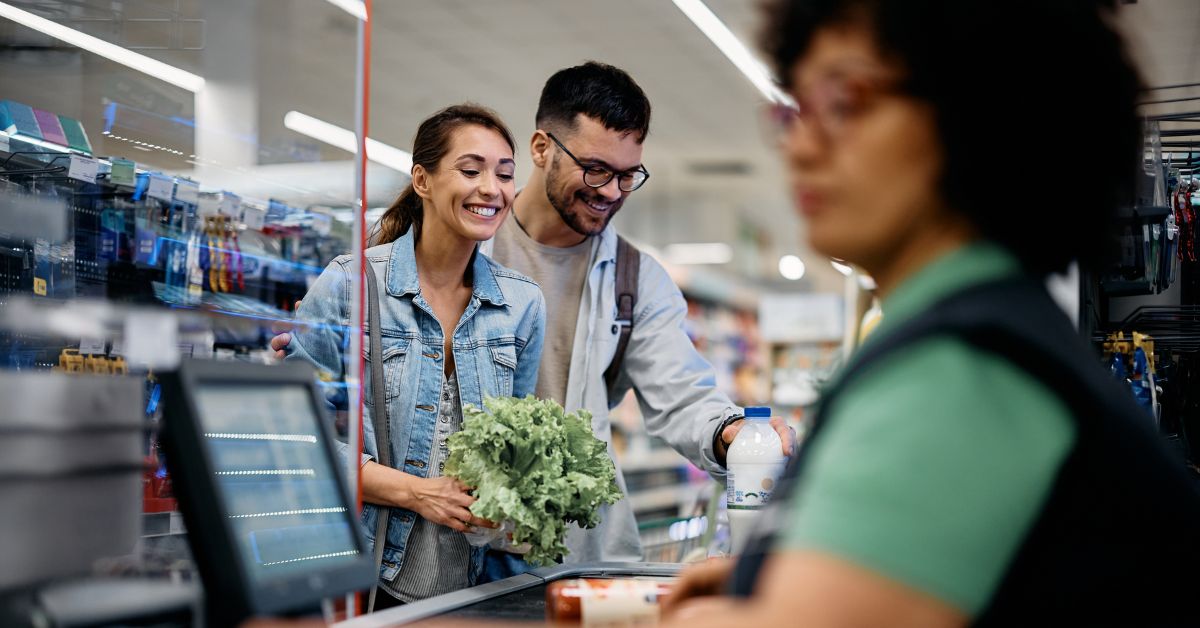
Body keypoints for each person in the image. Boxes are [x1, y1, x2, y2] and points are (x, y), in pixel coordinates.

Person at [659, 0, 1200, 626]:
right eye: (795, 111)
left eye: (845, 102)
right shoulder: (991, 335)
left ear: (981, 110)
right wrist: (786, 575)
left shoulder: (965, 369)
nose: (800, 147)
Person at [276, 62, 794, 565]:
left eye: (627, 175)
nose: (611, 192)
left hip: (569, 544)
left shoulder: (635, 280)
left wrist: (729, 432)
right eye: (595, 169)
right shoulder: (458, 237)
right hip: (435, 539)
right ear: (542, 148)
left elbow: (681, 390)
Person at [285, 104, 545, 609]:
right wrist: (414, 492)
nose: (491, 188)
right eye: (470, 170)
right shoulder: (351, 285)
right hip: (362, 578)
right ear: (422, 179)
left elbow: (517, 441)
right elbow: (295, 442)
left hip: (477, 584)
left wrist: (508, 496)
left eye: (505, 174)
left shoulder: (522, 305)